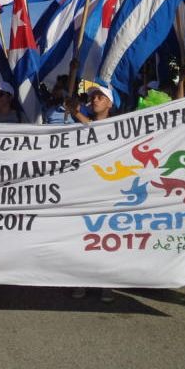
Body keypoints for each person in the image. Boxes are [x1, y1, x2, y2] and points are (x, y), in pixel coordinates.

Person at [65, 84, 116, 302]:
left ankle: (106, 284)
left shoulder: (122, 126)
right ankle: (81, 280)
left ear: (110, 103)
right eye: (93, 96)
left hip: (109, 193)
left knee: (105, 240)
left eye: (100, 97)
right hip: (85, 193)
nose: (95, 100)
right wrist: (74, 111)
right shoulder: (83, 127)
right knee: (83, 238)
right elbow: (88, 126)